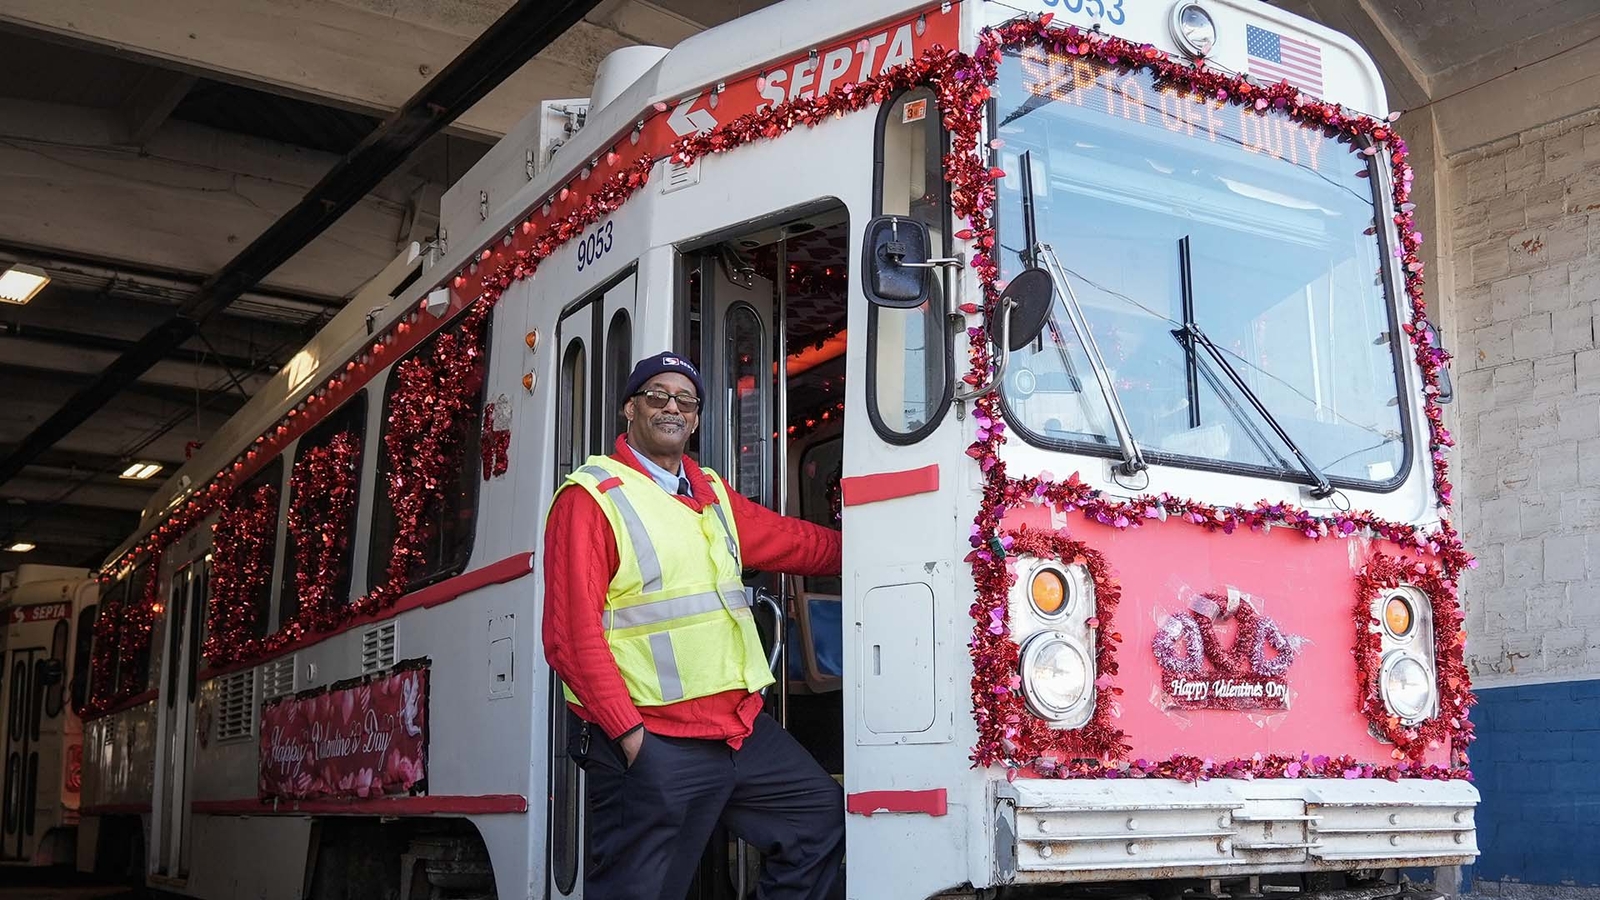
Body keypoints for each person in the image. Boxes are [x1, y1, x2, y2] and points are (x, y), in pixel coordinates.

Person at [542, 351, 845, 900]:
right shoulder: (592, 498)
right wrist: (631, 739)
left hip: (737, 729)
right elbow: (569, 637)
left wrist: (884, 541)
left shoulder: (709, 493)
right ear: (629, 411)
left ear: (698, 418)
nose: (672, 407)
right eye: (656, 395)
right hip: (656, 738)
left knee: (817, 823)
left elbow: (793, 541)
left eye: (686, 399)